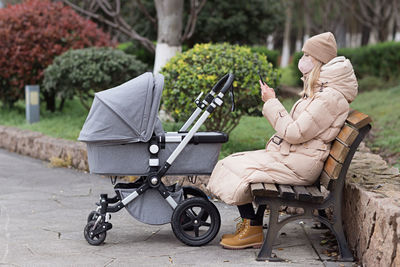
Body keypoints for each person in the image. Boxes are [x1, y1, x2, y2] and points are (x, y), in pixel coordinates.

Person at [206, 32, 358, 250]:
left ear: (319, 61)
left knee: (238, 167)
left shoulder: (329, 97)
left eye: (307, 55)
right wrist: (273, 102)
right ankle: (251, 224)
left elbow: (295, 133)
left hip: (300, 166)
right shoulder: (321, 90)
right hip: (295, 158)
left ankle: (252, 230)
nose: (302, 59)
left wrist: (272, 102)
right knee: (232, 161)